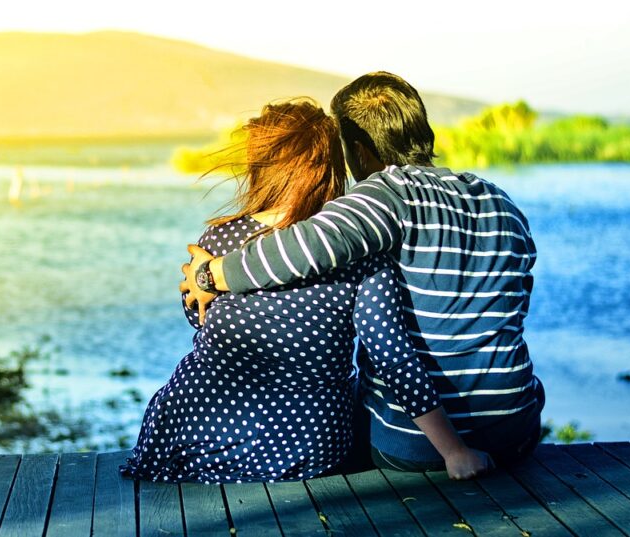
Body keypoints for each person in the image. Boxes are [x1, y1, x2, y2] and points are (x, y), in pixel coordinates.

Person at [181, 72, 544, 476]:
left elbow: (299, 249)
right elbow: (517, 306)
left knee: (335, 398)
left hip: (416, 445)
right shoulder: (498, 201)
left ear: (358, 151)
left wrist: (209, 275)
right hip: (516, 429)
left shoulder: (382, 195)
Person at [123, 98, 485, 484]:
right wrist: (453, 451)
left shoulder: (220, 239)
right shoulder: (356, 248)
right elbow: (389, 353)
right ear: (330, 166)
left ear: (261, 168)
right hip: (305, 446)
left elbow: (196, 317)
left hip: (197, 433)